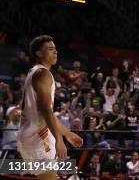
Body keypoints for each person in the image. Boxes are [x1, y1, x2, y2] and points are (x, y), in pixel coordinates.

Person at [16, 35, 83, 180]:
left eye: (55, 49)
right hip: (38, 136)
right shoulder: (43, 74)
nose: (55, 52)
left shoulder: (34, 72)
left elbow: (47, 113)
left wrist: (67, 134)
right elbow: (46, 110)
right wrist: (59, 140)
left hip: (34, 133)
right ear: (39, 53)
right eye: (50, 49)